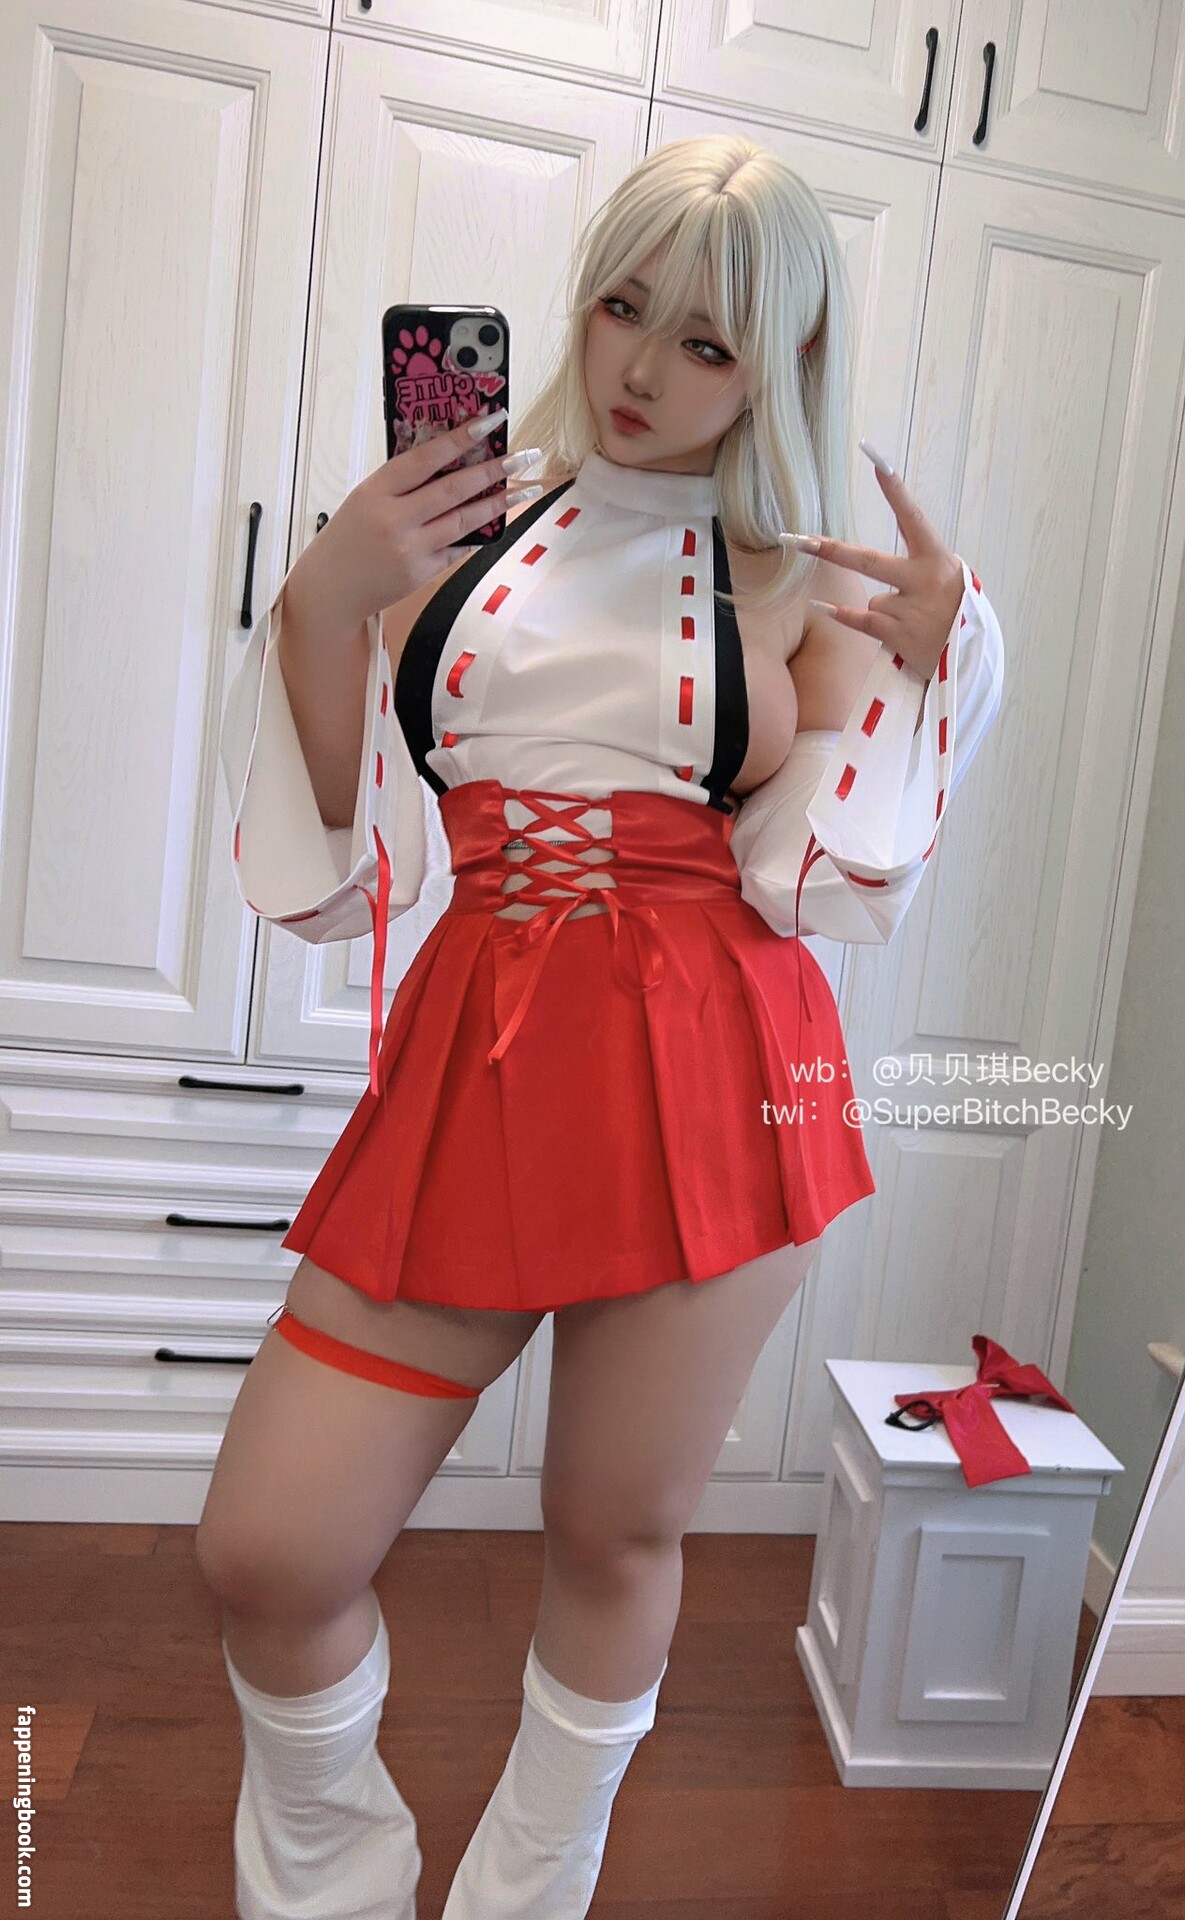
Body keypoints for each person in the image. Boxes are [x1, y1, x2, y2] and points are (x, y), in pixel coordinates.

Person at [205, 134, 1005, 1920]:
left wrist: (943, 654)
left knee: (612, 1529)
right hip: (477, 1047)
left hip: (721, 1063)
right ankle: (330, 1883)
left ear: (779, 366)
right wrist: (326, 590)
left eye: (707, 342)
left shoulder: (798, 573)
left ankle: (527, 1891)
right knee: (271, 1548)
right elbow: (342, 850)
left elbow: (833, 872)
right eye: (623, 307)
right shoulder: (451, 527)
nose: (643, 370)